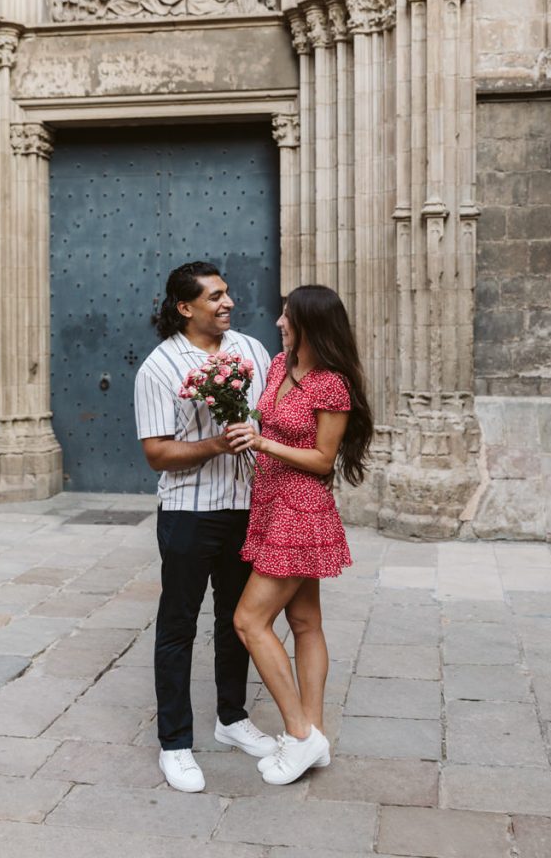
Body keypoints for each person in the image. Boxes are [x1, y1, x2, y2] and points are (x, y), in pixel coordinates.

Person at [134, 261, 277, 792]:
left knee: (238, 620)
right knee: (178, 627)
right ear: (184, 307)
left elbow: (269, 417)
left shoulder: (252, 350)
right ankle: (175, 743)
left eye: (228, 293)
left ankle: (232, 719)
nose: (228, 303)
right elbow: (157, 453)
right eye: (215, 296)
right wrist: (219, 442)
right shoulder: (159, 367)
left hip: (248, 507)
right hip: (190, 513)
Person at [225, 285, 373, 785]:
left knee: (248, 620)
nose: (279, 322)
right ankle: (317, 737)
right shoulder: (276, 368)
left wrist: (263, 440)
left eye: (287, 316)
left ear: (309, 322)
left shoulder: (332, 384)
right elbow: (266, 424)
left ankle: (298, 733)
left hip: (299, 510)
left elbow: (323, 460)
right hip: (269, 504)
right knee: (305, 621)